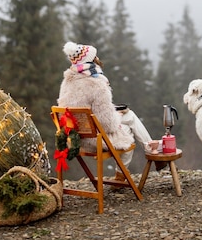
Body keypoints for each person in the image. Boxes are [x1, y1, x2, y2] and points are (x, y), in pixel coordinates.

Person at [58, 41, 155, 183]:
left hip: (74, 137)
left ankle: (148, 147)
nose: (98, 59)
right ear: (90, 60)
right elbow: (108, 123)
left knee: (129, 116)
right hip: (94, 140)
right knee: (127, 127)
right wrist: (117, 115)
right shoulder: (97, 84)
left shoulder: (67, 82)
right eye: (95, 56)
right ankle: (147, 153)